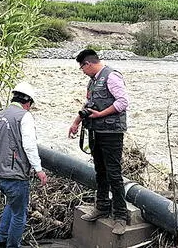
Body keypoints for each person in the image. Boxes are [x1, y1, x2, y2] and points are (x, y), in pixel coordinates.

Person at [68, 49, 129, 235]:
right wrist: (76, 122)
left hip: (111, 133)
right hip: (96, 132)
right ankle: (102, 206)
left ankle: (120, 215)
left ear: (88, 63)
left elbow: (123, 102)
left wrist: (101, 114)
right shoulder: (93, 82)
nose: (82, 71)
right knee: (100, 171)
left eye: (82, 67)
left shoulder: (112, 77)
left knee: (114, 174)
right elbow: (88, 105)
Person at [0, 82, 48, 248]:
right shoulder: (24, 116)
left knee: (12, 204)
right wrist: (39, 170)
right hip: (14, 175)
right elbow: (29, 146)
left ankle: (1, 239)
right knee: (19, 214)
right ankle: (12, 245)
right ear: (28, 102)